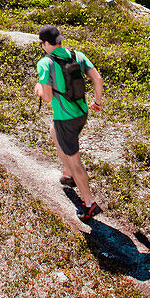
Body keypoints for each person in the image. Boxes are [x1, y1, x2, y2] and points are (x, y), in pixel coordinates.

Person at [34, 24, 104, 222]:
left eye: (42, 44)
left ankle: (89, 204)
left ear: (46, 43)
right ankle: (68, 172)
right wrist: (97, 102)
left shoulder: (45, 63)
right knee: (53, 130)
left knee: (76, 161)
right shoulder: (77, 55)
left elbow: (47, 97)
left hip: (66, 118)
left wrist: (38, 88)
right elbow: (97, 79)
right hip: (81, 112)